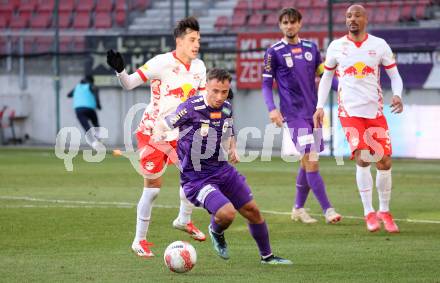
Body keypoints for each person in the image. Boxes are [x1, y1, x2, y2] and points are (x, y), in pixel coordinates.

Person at [154, 68, 292, 265]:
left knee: (252, 210)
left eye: (224, 92)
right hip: (196, 179)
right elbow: (164, 124)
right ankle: (215, 230)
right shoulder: (191, 107)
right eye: (215, 91)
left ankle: (267, 257)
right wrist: (159, 135)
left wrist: (233, 147)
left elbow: (229, 129)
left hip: (222, 169)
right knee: (227, 214)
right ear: (206, 87)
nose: (219, 96)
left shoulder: (226, 107)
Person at [106, 16, 206, 258]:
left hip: (182, 132)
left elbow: (200, 102)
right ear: (179, 41)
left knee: (194, 178)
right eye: (192, 40)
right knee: (153, 189)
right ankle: (139, 241)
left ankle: (183, 220)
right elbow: (129, 84)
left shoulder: (200, 67)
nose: (196, 44)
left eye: (199, 40)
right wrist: (120, 70)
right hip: (154, 132)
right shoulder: (161, 63)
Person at [313, 5, 403, 233]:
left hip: (375, 112)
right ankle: (368, 212)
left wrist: (398, 95)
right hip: (350, 112)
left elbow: (395, 75)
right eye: (348, 16)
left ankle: (384, 211)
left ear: (365, 19)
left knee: (384, 162)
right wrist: (320, 106)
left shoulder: (379, 45)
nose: (352, 19)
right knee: (363, 158)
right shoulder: (336, 46)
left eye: (357, 15)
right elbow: (326, 78)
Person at [262, 8, 342, 224]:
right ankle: (328, 210)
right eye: (285, 22)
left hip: (313, 113)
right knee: (312, 160)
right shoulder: (274, 52)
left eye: (293, 22)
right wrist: (272, 108)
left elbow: (324, 76)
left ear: (300, 24)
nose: (289, 26)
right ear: (280, 25)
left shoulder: (311, 48)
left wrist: (343, 90)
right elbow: (267, 85)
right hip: (294, 114)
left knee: (306, 162)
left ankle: (298, 208)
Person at [67, 75, 102, 148]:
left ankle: (94, 143)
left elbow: (69, 95)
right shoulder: (91, 86)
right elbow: (95, 93)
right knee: (95, 123)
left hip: (79, 109)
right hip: (90, 109)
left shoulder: (77, 87)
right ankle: (98, 137)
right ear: (91, 81)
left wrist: (77, 93)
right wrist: (98, 104)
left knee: (86, 127)